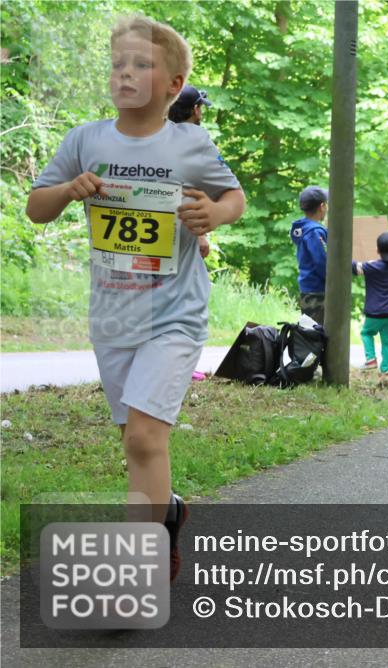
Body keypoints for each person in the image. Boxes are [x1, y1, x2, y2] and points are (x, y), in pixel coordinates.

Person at [25, 14, 245, 581]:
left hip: (175, 314)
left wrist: (212, 214)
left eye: (141, 64)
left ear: (173, 85)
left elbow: (233, 197)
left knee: (146, 438)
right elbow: (37, 206)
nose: (125, 73)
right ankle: (167, 510)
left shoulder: (189, 142)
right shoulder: (86, 140)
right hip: (113, 315)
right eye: (118, 63)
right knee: (135, 443)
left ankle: (134, 575)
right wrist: (69, 189)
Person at [168, 85, 213, 259]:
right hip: (179, 231)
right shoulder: (194, 144)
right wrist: (200, 234)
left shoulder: (155, 134)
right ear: (195, 110)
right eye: (200, 107)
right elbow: (185, 189)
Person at [352, 232, 388, 374]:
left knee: (366, 333)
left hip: (376, 313)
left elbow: (354, 267)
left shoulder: (371, 267)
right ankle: (386, 371)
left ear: (377, 250)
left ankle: (371, 360)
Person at [290, 186, 328, 325]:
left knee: (312, 333)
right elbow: (322, 262)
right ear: (322, 206)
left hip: (308, 290)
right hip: (317, 293)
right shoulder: (315, 232)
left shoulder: (306, 229)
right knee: (316, 336)